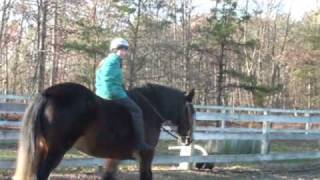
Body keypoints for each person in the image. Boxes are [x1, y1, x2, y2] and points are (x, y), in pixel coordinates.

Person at [95, 37, 151, 151]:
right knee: (137, 111)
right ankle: (139, 143)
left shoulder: (104, 61)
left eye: (126, 49)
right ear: (114, 49)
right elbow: (110, 80)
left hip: (100, 93)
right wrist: (121, 92)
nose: (124, 51)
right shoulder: (114, 61)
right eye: (122, 49)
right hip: (112, 93)